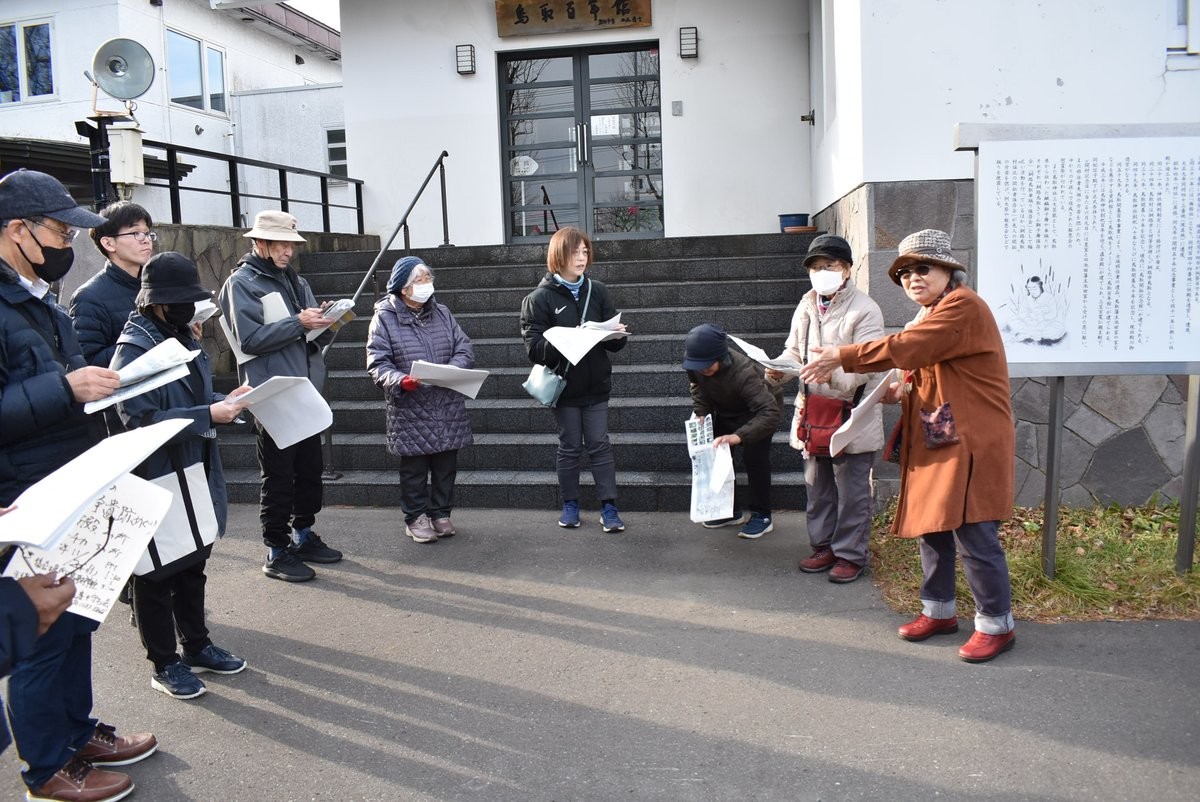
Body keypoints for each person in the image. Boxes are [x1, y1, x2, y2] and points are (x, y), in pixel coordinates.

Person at [0, 169, 156, 802]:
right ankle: (45, 768)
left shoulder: (38, 295)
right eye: (61, 233)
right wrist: (65, 388)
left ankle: (76, 731)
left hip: (71, 481)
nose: (69, 244)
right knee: (37, 629)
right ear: (18, 230)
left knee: (75, 615)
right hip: (25, 496)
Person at [800, 228, 1017, 663]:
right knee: (932, 526)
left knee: (975, 532)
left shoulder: (962, 306)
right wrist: (903, 389)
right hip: (941, 432)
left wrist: (842, 355)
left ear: (947, 271)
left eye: (923, 268)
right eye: (904, 272)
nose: (913, 278)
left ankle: (997, 624)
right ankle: (938, 611)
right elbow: (928, 365)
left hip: (971, 438)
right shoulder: (932, 311)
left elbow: (910, 346)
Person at [112, 252, 253, 700]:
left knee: (193, 561)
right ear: (156, 303)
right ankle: (164, 662)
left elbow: (189, 396)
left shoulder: (179, 335)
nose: (191, 309)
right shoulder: (134, 347)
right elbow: (137, 417)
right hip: (153, 473)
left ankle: (196, 645)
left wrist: (223, 400)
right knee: (155, 572)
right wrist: (208, 414)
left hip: (192, 464)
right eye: (182, 300)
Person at [218, 210, 342, 582]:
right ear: (260, 242)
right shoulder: (242, 282)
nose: (288, 251)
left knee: (310, 470)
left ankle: (303, 534)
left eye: (291, 244)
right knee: (278, 475)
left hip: (303, 388)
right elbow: (249, 340)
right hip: (270, 393)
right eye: (281, 244)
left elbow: (305, 335)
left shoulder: (296, 280)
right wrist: (298, 322)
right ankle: (276, 549)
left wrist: (326, 321)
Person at [768, 234, 884, 584]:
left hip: (852, 413)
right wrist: (777, 369)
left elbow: (868, 363)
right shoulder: (806, 304)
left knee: (852, 492)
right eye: (815, 267)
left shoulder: (865, 309)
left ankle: (851, 554)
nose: (821, 273)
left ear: (846, 269)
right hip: (813, 412)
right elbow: (793, 350)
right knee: (817, 487)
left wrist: (830, 373)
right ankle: (823, 547)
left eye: (828, 265)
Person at [519, 226, 628, 533]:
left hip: (596, 384)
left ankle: (609, 507)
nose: (581, 258)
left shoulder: (598, 290)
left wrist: (616, 335)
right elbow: (534, 350)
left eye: (584, 251)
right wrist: (568, 338)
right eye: (574, 252)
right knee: (569, 446)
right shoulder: (538, 299)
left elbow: (615, 345)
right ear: (558, 255)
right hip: (565, 386)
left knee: (599, 444)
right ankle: (570, 505)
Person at [366, 257, 475, 542]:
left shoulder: (442, 312)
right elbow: (378, 363)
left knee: (445, 464)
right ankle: (415, 517)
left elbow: (464, 347)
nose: (426, 284)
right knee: (414, 468)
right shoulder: (384, 318)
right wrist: (400, 380)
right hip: (410, 405)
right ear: (403, 288)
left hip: (446, 402)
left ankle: (440, 513)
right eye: (419, 280)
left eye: (428, 278)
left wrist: (453, 369)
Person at [683, 323, 783, 539]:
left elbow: (769, 413)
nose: (702, 370)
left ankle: (762, 516)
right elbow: (698, 387)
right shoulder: (695, 361)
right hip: (726, 409)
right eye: (697, 366)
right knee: (719, 457)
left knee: (754, 459)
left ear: (721, 357)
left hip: (759, 413)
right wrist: (701, 412)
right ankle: (729, 511)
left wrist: (739, 436)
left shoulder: (743, 372)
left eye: (707, 365)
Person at [70, 201, 155, 369]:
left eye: (147, 233)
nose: (146, 240)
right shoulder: (88, 297)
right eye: (136, 233)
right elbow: (88, 363)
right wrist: (147, 341)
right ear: (108, 243)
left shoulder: (154, 284)